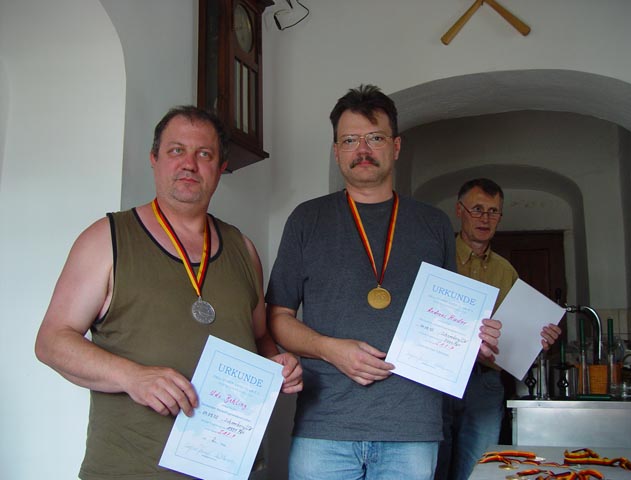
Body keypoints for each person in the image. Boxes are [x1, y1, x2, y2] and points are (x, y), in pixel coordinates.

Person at [34, 106, 303, 480]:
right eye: (177, 150)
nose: (189, 164)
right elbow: (51, 342)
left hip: (227, 470)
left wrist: (278, 365)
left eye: (204, 154)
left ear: (221, 167)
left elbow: (260, 339)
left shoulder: (243, 249)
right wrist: (132, 376)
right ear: (154, 158)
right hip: (129, 471)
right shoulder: (106, 239)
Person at [265, 85, 502, 480]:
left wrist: (473, 338)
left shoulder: (433, 224)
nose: (362, 149)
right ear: (336, 151)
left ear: (395, 146)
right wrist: (330, 350)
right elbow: (277, 318)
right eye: (350, 140)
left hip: (412, 427)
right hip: (325, 424)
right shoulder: (307, 219)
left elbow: (449, 318)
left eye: (374, 138)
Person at [435, 178, 561, 480]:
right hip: (439, 379)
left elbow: (516, 333)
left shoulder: (506, 271)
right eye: (477, 209)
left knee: (478, 469)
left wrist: (539, 339)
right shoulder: (437, 257)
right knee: (432, 466)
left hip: (486, 383)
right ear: (459, 211)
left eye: (493, 211)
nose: (485, 218)